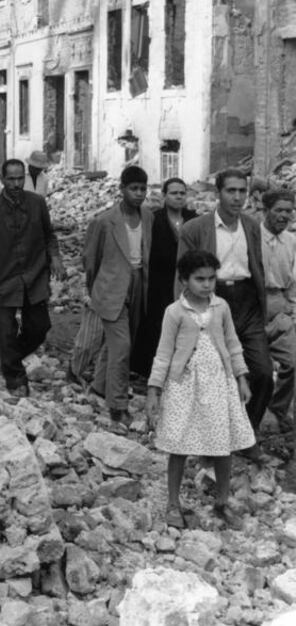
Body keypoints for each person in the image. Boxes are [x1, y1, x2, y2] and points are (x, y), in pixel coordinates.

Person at [146, 250, 254, 529]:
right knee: (179, 444)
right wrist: (154, 389)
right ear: (184, 280)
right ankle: (173, 503)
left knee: (223, 443)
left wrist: (241, 377)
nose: (206, 285)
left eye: (211, 279)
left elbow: (232, 343)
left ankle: (221, 502)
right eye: (199, 279)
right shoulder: (174, 312)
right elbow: (163, 352)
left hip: (219, 382)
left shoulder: (221, 308)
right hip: (184, 384)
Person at [178, 169, 272, 458]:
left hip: (247, 303)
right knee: (214, 373)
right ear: (217, 193)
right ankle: (213, 440)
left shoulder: (252, 226)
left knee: (263, 373)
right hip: (213, 301)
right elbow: (182, 274)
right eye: (231, 191)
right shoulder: (195, 229)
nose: (237, 197)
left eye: (242, 191)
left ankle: (248, 433)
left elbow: (256, 265)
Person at [0, 159, 65, 398]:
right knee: (5, 332)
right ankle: (15, 379)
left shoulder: (37, 204)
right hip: (2, 280)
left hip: (34, 276)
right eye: (10, 179)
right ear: (2, 179)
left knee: (39, 327)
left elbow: (49, 235)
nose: (15, 183)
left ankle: (8, 359)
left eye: (19, 178)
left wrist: (55, 257)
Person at [83, 165, 154, 424]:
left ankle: (100, 386)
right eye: (133, 188)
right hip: (111, 287)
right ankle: (118, 405)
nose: (138, 194)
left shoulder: (148, 217)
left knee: (117, 343)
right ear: (122, 189)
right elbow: (91, 261)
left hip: (138, 285)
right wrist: (96, 290)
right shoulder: (104, 221)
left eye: (143, 189)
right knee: (122, 346)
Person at [133, 177, 198, 377]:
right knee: (158, 324)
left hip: (187, 282)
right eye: (173, 193)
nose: (178, 197)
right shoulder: (155, 219)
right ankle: (151, 371)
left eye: (182, 193)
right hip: (159, 281)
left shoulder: (193, 218)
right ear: (164, 196)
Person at [260, 189, 296, 433]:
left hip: (281, 302)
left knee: (292, 361)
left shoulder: (292, 241)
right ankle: (249, 417)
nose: (284, 216)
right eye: (279, 210)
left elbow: (293, 281)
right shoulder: (252, 235)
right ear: (266, 211)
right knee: (256, 369)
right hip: (253, 305)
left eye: (288, 211)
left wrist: (292, 310)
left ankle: (279, 409)